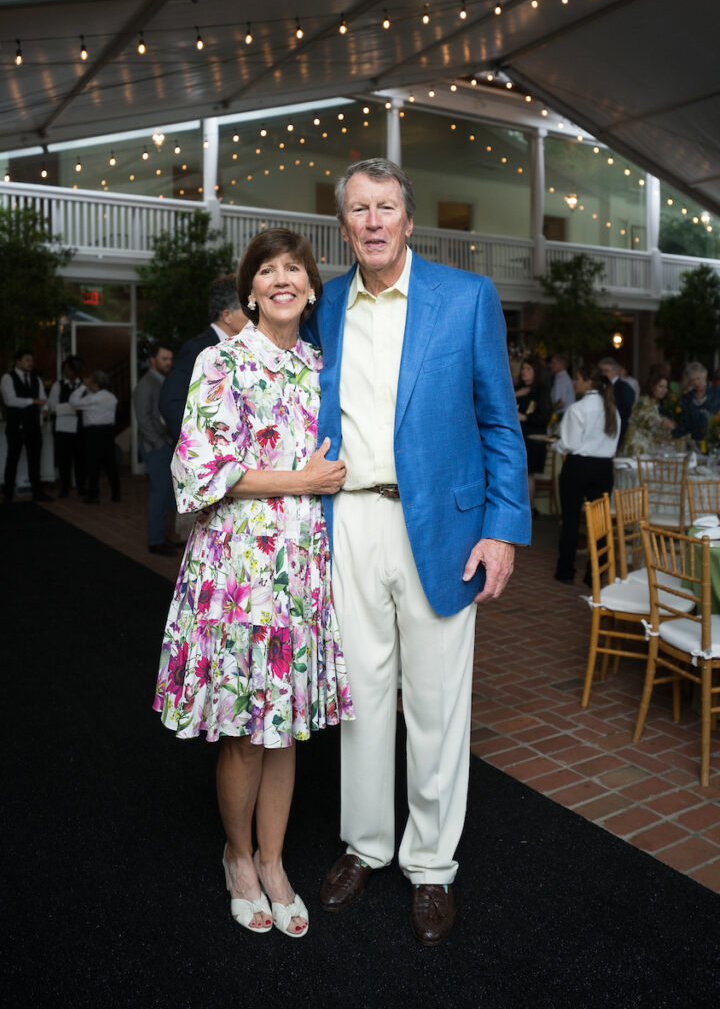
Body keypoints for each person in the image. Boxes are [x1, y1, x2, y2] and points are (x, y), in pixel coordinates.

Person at [307, 157, 531, 947]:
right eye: (359, 209)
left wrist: (502, 528)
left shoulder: (465, 299)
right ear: (344, 226)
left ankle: (431, 865)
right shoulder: (324, 306)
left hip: (443, 528)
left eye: (387, 207)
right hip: (348, 523)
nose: (373, 221)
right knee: (360, 697)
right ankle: (364, 844)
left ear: (408, 220)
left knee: (435, 707)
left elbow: (500, 423)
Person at [153, 228, 354, 938]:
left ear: (310, 287)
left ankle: (274, 860)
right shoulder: (220, 360)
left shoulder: (320, 367)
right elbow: (199, 471)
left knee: (286, 730)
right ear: (249, 289)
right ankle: (238, 857)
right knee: (244, 731)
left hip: (300, 568)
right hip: (237, 570)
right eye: (266, 270)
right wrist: (300, 480)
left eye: (293, 268)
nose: (280, 279)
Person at [159, 275, 247, 440]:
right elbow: (171, 401)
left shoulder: (242, 349)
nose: (254, 317)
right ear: (227, 315)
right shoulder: (198, 349)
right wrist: (199, 445)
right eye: (247, 309)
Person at [554, 364, 620, 584]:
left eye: (578, 378)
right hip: (603, 468)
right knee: (600, 522)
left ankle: (565, 571)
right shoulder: (612, 410)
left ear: (588, 382)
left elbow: (569, 444)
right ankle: (594, 574)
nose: (574, 382)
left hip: (578, 466)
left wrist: (556, 446)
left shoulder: (578, 409)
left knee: (571, 520)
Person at [133, 342, 178, 556]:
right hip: (156, 447)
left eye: (170, 359)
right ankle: (155, 540)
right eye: (164, 359)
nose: (168, 363)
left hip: (167, 445)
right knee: (159, 494)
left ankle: (164, 536)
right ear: (152, 360)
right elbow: (143, 420)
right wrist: (161, 445)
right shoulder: (145, 384)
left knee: (168, 494)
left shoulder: (164, 380)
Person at [0, 348, 53, 502]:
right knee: (13, 458)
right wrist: (33, 401)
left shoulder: (36, 379)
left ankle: (37, 492)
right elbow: (11, 400)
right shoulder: (7, 378)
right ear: (18, 362)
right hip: (16, 425)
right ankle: (8, 493)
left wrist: (44, 409)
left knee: (35, 459)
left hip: (33, 425)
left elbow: (43, 398)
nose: (31, 363)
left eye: (31, 360)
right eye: (27, 360)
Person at [69, 371, 120, 504]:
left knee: (93, 464)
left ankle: (93, 495)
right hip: (108, 431)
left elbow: (73, 401)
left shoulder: (92, 398)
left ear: (95, 384)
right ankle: (116, 494)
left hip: (94, 433)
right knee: (110, 464)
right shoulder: (111, 397)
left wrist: (82, 387)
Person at [515, 356, 552, 510]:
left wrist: (524, 417)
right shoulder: (517, 390)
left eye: (528, 369)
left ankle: (528, 511)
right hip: (518, 437)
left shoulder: (541, 391)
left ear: (535, 372)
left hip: (533, 438)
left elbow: (545, 417)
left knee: (528, 474)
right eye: (523, 368)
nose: (524, 371)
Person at [47, 356, 86, 497]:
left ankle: (82, 486)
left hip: (80, 427)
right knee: (64, 459)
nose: (66, 372)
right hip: (63, 428)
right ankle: (65, 487)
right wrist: (71, 408)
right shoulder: (58, 385)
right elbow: (52, 405)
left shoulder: (83, 385)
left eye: (69, 369)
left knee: (81, 458)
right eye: (65, 370)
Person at [620, 369, 678, 457]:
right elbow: (646, 418)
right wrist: (663, 421)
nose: (664, 390)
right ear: (652, 386)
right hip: (635, 446)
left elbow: (653, 428)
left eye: (666, 387)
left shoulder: (654, 403)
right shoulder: (643, 401)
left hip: (643, 447)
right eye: (660, 386)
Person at [676, 361, 720, 442]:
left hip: (715, 441)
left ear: (704, 377)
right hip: (693, 444)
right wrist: (673, 434)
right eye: (692, 380)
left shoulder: (717, 393)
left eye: (698, 378)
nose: (696, 383)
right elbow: (685, 424)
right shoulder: (687, 398)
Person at [598, 358, 634, 447]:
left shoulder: (624, 387)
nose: (603, 374)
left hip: (618, 430)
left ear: (615, 371)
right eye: (601, 371)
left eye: (606, 371)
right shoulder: (601, 387)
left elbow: (626, 410)